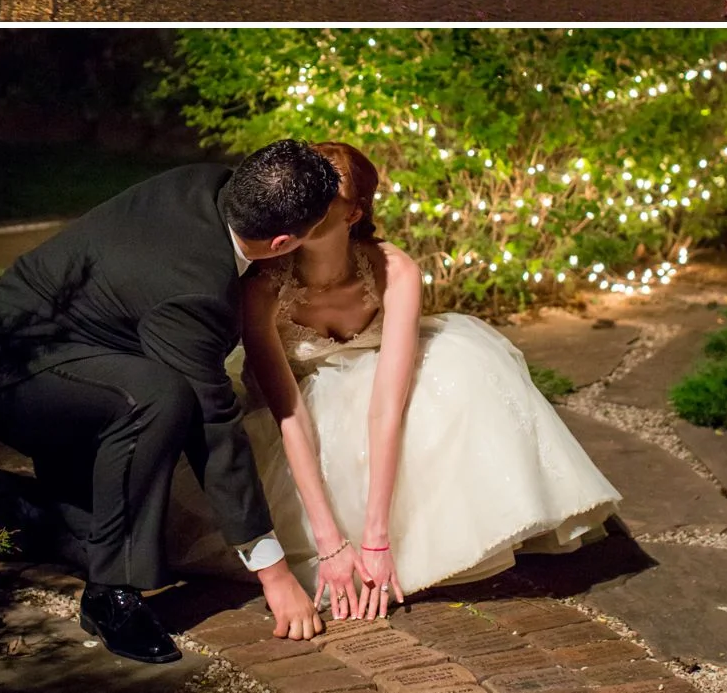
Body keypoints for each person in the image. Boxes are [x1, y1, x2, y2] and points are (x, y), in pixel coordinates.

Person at [176, 140, 621, 607]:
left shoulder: (394, 270)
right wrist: (329, 542)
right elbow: (290, 415)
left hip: (380, 395)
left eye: (328, 197)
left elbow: (386, 407)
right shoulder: (264, 285)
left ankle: (435, 532)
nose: (311, 203)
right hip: (290, 409)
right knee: (318, 436)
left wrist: (376, 538)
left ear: (353, 214)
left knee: (464, 372)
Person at [0, 142, 345, 663]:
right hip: (6, 373)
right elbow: (212, 426)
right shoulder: (196, 288)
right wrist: (273, 573)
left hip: (76, 352)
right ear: (281, 242)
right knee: (160, 399)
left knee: (103, 536)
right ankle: (111, 596)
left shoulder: (208, 185)